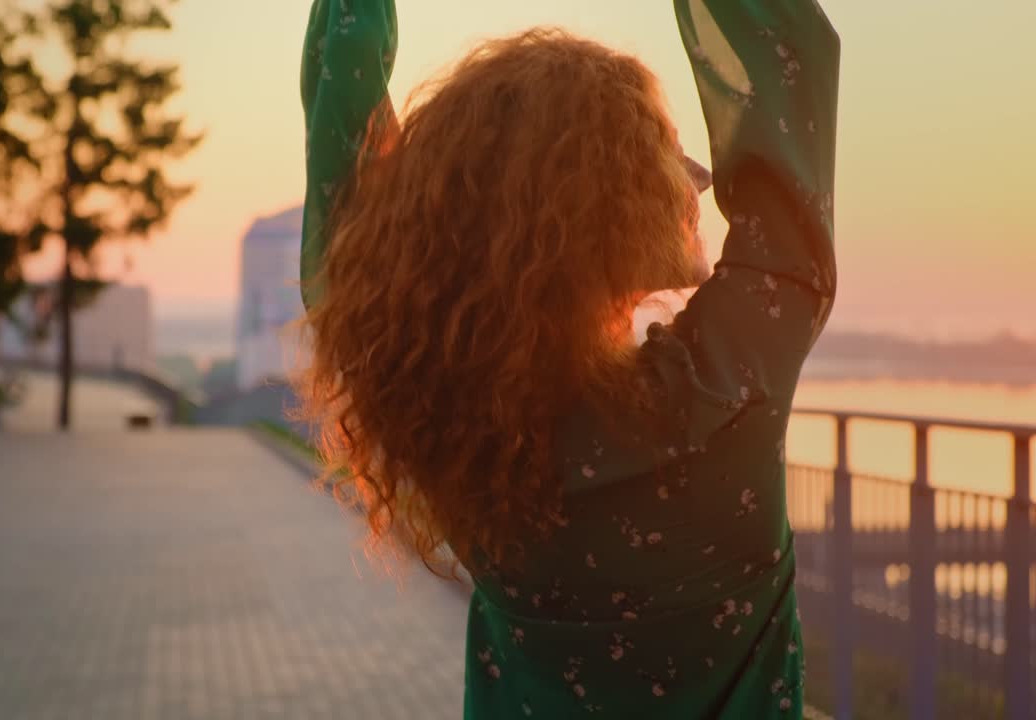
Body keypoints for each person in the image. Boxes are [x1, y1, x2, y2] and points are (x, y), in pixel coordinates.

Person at [296, 0, 839, 717]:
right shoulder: (721, 394)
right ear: (606, 209)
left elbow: (346, 177)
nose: (699, 176)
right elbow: (791, 66)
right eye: (664, 152)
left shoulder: (446, 424)